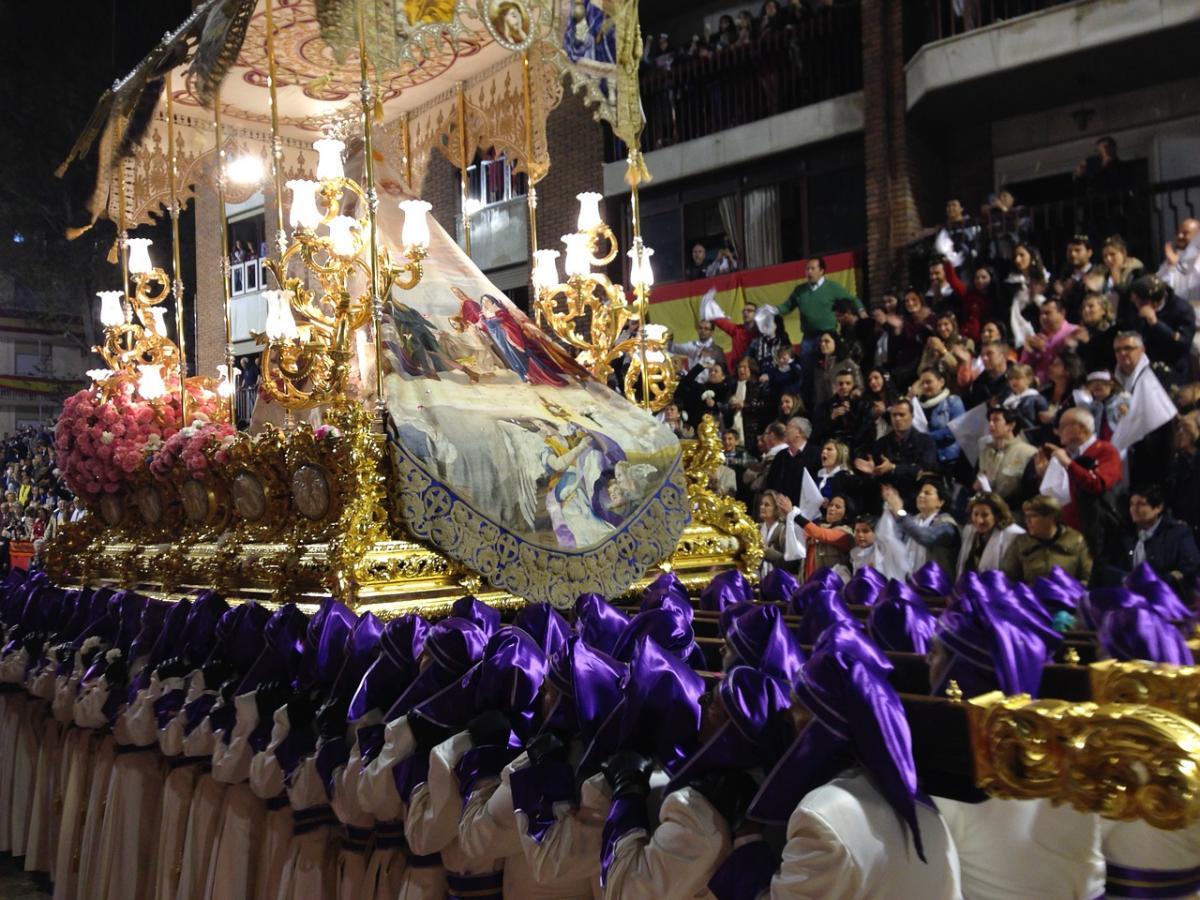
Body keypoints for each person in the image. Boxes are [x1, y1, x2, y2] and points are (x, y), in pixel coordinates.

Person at [708, 624, 964, 899]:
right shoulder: (917, 799)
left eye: (797, 706)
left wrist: (748, 843)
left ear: (822, 726)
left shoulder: (821, 817)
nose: (786, 717)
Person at [1037, 407, 1122, 555]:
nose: (1057, 430)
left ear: (1080, 428)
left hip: (1099, 532)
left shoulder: (1105, 451)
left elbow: (1098, 484)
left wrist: (1068, 463)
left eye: (1063, 426)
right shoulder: (1068, 454)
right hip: (1070, 530)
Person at [1104, 485, 1200, 594]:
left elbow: (1190, 569)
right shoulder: (1124, 533)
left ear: (1158, 507)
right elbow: (1107, 566)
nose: (1133, 509)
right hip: (1130, 597)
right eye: (1131, 504)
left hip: (1165, 598)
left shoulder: (1178, 534)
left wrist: (1157, 580)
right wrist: (1127, 579)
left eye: (1141, 504)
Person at [773, 258, 863, 369]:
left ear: (821, 271)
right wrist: (773, 310)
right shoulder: (800, 290)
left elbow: (852, 299)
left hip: (828, 336)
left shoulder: (832, 287)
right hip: (808, 338)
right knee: (808, 370)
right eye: (807, 269)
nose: (809, 272)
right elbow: (786, 306)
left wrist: (861, 312)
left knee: (830, 368)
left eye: (812, 268)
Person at [854, 399, 939, 508]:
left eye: (902, 415)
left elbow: (926, 470)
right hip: (886, 503)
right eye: (894, 415)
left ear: (912, 416)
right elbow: (876, 476)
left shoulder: (926, 441)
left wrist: (894, 468)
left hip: (913, 502)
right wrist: (872, 473)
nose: (897, 418)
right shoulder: (881, 443)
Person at [1001, 494, 1093, 583]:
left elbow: (1088, 576)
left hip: (1068, 596)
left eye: (1033, 516)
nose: (1027, 521)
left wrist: (1074, 590)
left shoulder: (1076, 540)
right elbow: (1007, 577)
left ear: (1051, 517)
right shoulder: (1020, 543)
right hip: (1033, 597)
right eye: (1026, 516)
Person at [881, 479, 961, 576]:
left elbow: (924, 536)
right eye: (920, 492)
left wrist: (900, 512)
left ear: (940, 502)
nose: (921, 495)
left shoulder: (947, 525)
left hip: (936, 586)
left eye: (927, 493)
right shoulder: (914, 520)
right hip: (911, 582)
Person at [1130, 274, 1196, 384]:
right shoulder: (1134, 305)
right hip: (1145, 365)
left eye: (1138, 302)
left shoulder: (1182, 310)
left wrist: (1156, 324)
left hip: (1173, 367)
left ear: (1153, 303)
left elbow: (1183, 343)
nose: (1135, 303)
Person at [975, 407, 1038, 508]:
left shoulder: (1028, 453)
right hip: (988, 511)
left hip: (1014, 513)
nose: (990, 424)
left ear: (1011, 425)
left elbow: (1030, 492)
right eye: (990, 420)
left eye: (996, 420)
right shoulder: (985, 452)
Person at [956, 492, 1024, 575]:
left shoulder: (1013, 535)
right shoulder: (969, 529)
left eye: (985, 515)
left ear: (998, 515)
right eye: (975, 514)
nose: (979, 520)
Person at [1019, 297, 1078, 385]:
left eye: (1048, 313)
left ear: (1062, 313)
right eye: (1041, 314)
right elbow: (1023, 368)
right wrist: (1028, 351)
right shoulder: (1037, 337)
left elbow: (1071, 364)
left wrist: (1044, 349)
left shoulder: (1074, 332)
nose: (1043, 317)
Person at [913, 367, 965, 466]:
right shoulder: (916, 406)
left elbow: (955, 430)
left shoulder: (953, 402)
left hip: (948, 458)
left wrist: (925, 438)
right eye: (922, 383)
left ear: (941, 382)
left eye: (928, 382)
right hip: (923, 458)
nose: (925, 386)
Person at [764, 417, 820, 504]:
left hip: (806, 509)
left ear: (799, 432)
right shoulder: (780, 455)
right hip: (781, 510)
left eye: (788, 427)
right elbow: (771, 483)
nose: (785, 431)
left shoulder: (816, 454)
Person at [1156, 217, 1200, 306]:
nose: (1180, 236)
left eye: (1185, 233)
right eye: (1178, 233)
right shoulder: (1169, 264)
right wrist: (1170, 266)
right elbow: (1159, 293)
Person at [1071, 291, 1119, 373]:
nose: (1086, 310)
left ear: (1103, 310)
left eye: (1091, 306)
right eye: (1083, 307)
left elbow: (1104, 361)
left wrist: (1087, 343)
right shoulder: (1081, 332)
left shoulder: (1112, 332)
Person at [1056, 234, 1096, 322]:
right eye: (1069, 251)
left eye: (1078, 250)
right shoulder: (1064, 274)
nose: (1073, 254)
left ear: (1089, 253)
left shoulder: (1096, 273)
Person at [964, 340, 1013, 409]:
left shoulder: (1018, 377)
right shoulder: (979, 383)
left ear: (1004, 355)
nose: (985, 358)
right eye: (982, 355)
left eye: (989, 354)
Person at [1000, 363, 1047, 434]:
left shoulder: (1037, 399)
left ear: (1029, 379)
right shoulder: (1007, 399)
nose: (1013, 381)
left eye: (1017, 378)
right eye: (1011, 378)